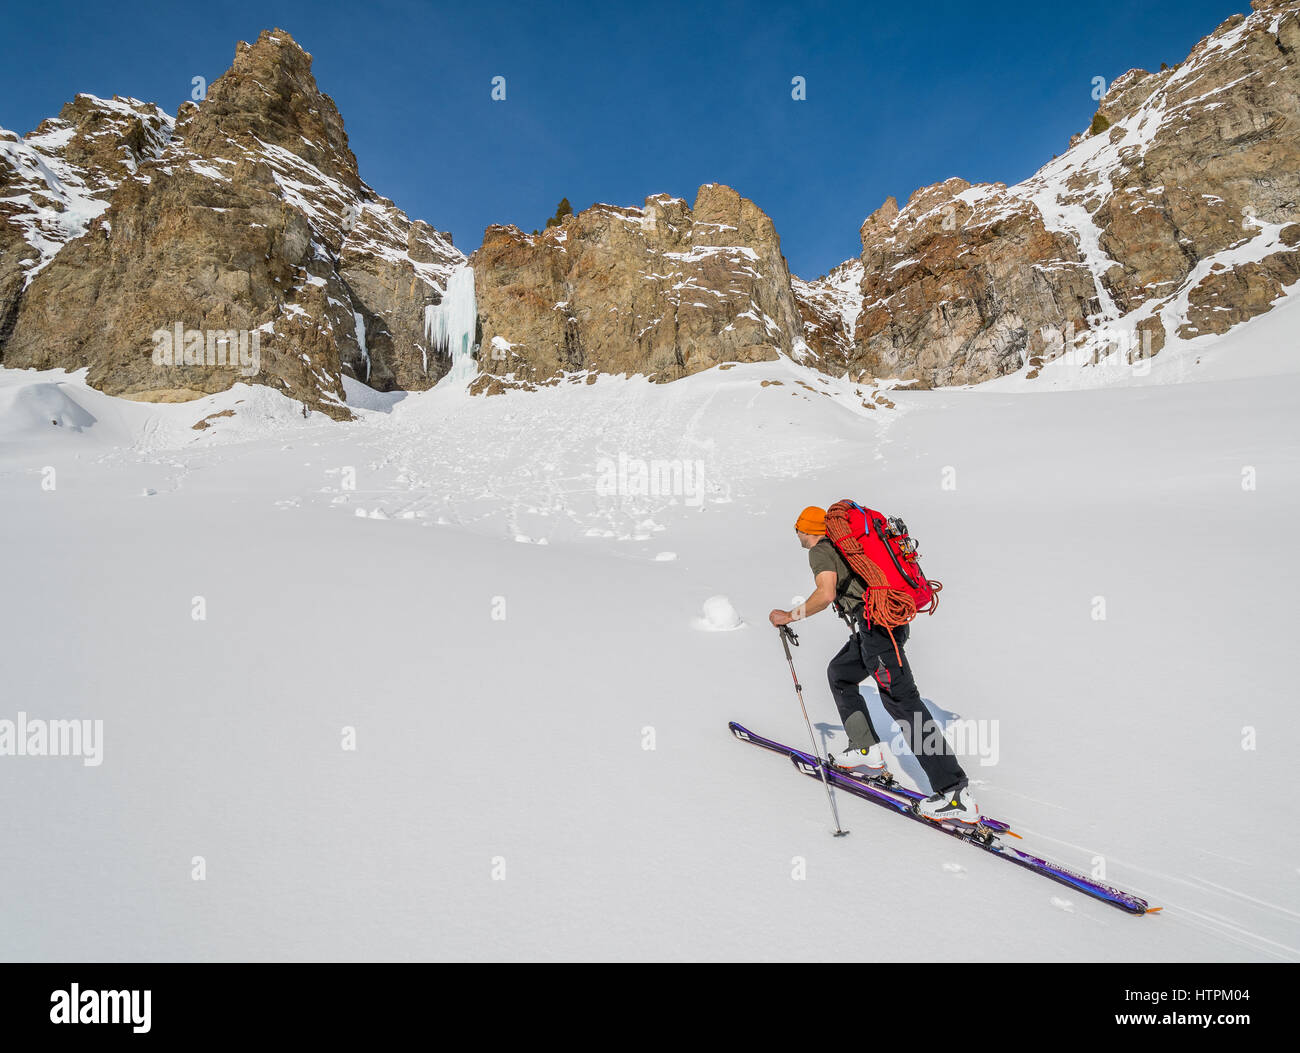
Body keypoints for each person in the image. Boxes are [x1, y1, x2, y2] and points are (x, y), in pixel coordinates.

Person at [768, 505, 979, 824]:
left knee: (904, 703)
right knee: (840, 673)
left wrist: (789, 615)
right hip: (881, 626)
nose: (796, 534)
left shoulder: (822, 551)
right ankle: (865, 750)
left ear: (807, 530)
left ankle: (954, 793)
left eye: (797, 528)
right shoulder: (842, 547)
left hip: (878, 631)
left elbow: (825, 594)